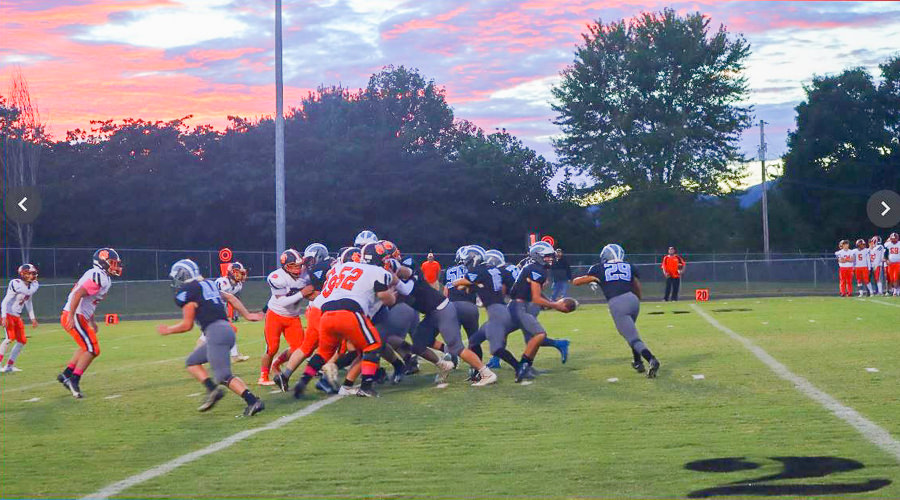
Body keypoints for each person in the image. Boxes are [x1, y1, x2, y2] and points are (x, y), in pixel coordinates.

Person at [157, 259, 265, 416]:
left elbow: (187, 325)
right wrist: (247, 315)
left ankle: (253, 401)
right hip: (226, 330)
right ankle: (212, 390)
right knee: (192, 362)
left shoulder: (189, 290)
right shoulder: (209, 283)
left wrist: (168, 330)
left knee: (223, 375)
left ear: (182, 276)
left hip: (215, 332)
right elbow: (231, 298)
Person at [573, 244, 661, 377]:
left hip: (617, 302)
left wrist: (592, 278)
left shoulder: (598, 268)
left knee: (632, 338)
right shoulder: (629, 266)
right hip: (633, 300)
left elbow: (576, 282)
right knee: (632, 332)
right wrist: (638, 299)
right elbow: (636, 284)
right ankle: (638, 363)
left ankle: (651, 359)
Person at [57, 248, 122, 398]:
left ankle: (66, 374)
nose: (115, 266)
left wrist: (91, 321)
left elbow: (89, 301)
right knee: (93, 349)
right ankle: (74, 380)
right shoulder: (98, 275)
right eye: (112, 263)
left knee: (85, 347)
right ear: (102, 262)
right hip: (75, 315)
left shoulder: (104, 277)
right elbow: (78, 294)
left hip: (80, 316)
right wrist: (71, 316)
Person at [507, 241, 573, 383]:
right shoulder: (537, 269)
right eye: (547, 256)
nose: (551, 258)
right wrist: (556, 305)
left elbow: (533, 294)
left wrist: (549, 302)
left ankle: (526, 368)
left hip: (519, 306)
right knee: (539, 334)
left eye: (551, 256)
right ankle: (522, 367)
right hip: (519, 307)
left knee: (532, 338)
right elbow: (536, 298)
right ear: (537, 256)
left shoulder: (534, 267)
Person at [259, 249, 308, 386]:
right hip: (276, 314)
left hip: (293, 317)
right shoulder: (276, 277)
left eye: (299, 265)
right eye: (293, 265)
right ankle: (263, 375)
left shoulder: (305, 274)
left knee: (300, 348)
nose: (297, 269)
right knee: (272, 347)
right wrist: (302, 293)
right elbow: (282, 302)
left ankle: (277, 363)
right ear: (285, 266)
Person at [0, 264, 40, 373]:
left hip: (17, 315)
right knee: (9, 338)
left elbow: (28, 301)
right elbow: (5, 302)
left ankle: (9, 366)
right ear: (23, 274)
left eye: (33, 273)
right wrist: (3, 316)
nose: (33, 275)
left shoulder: (33, 286)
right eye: (30, 273)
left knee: (22, 341)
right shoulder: (16, 283)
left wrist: (32, 318)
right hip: (8, 313)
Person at [212, 261, 250, 362]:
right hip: (211, 308)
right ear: (231, 272)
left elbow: (230, 300)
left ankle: (234, 355)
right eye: (238, 272)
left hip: (220, 309)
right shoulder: (222, 282)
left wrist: (227, 314)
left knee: (229, 331)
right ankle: (198, 359)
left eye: (241, 273)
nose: (241, 275)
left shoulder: (238, 286)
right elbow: (214, 297)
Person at [886, 232, 900, 296]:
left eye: (895, 238)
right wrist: (886, 260)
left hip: (898, 263)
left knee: (896, 277)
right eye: (892, 238)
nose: (894, 240)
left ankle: (895, 291)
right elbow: (885, 253)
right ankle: (895, 289)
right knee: (891, 278)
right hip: (890, 264)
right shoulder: (888, 244)